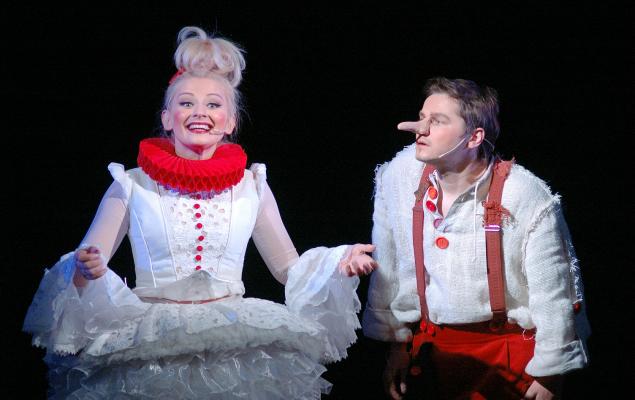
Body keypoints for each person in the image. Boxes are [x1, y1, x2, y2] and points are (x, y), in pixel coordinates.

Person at [23, 26, 377, 399]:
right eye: (187, 103)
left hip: (232, 337)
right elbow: (88, 257)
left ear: (231, 121)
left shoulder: (252, 185)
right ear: (167, 117)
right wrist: (84, 267)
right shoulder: (131, 184)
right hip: (152, 339)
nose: (200, 113)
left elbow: (289, 268)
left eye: (213, 105)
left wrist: (339, 262)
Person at [362, 77, 589, 399]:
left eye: (437, 121)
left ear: (474, 137)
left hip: (507, 355)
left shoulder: (524, 194)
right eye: (422, 117)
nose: (418, 129)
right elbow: (391, 267)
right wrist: (397, 345)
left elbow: (554, 294)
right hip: (433, 350)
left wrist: (550, 374)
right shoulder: (399, 178)